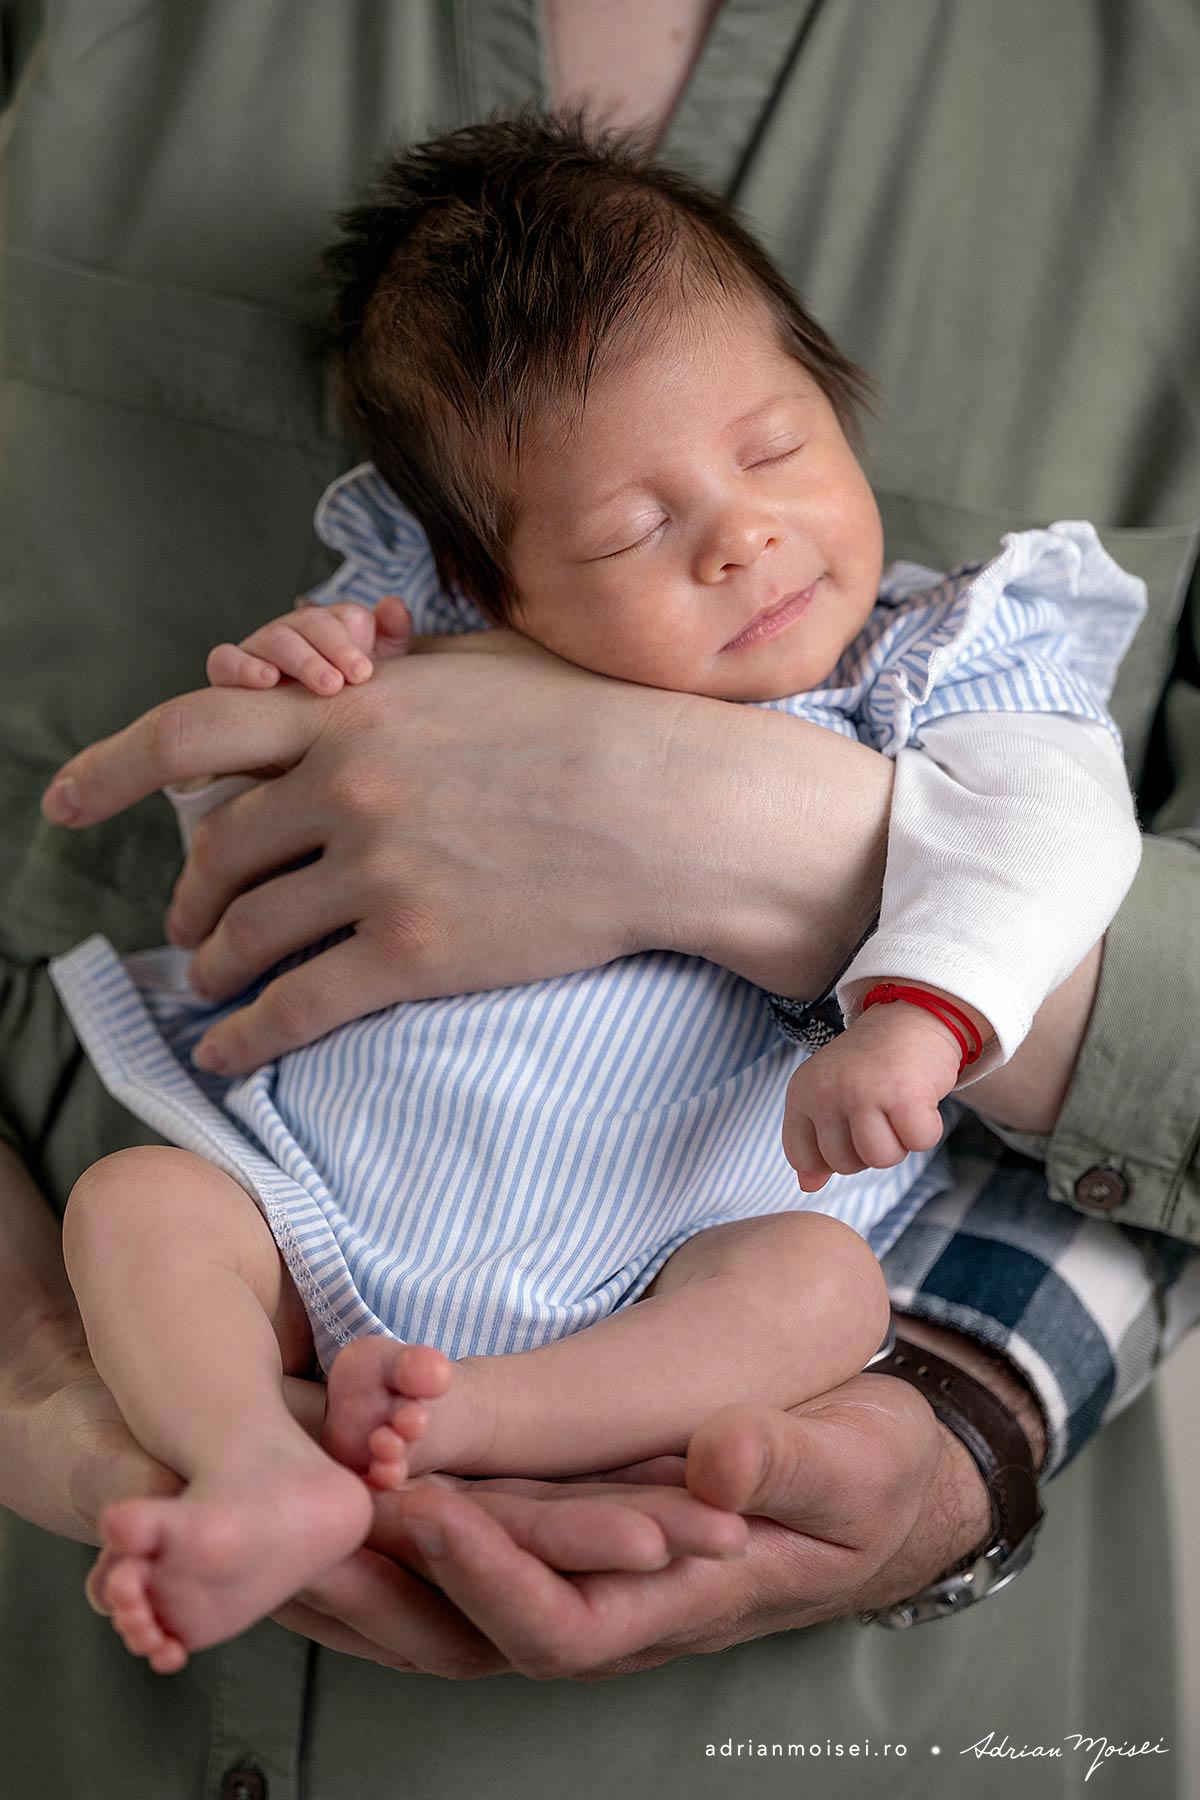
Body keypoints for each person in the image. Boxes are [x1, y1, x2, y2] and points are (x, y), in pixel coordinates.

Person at [2, 5, 1197, 1797]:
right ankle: (253, 1449)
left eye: (778, 449)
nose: (738, 534)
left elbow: (1044, 843)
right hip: (317, 1212)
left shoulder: (947, 665)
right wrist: (291, 698)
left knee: (804, 1285)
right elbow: (235, 841)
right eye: (633, 532)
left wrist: (921, 1007)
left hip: (683, 1248)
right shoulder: (432, 634)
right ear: (486, 571)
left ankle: (461, 1423)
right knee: (146, 1207)